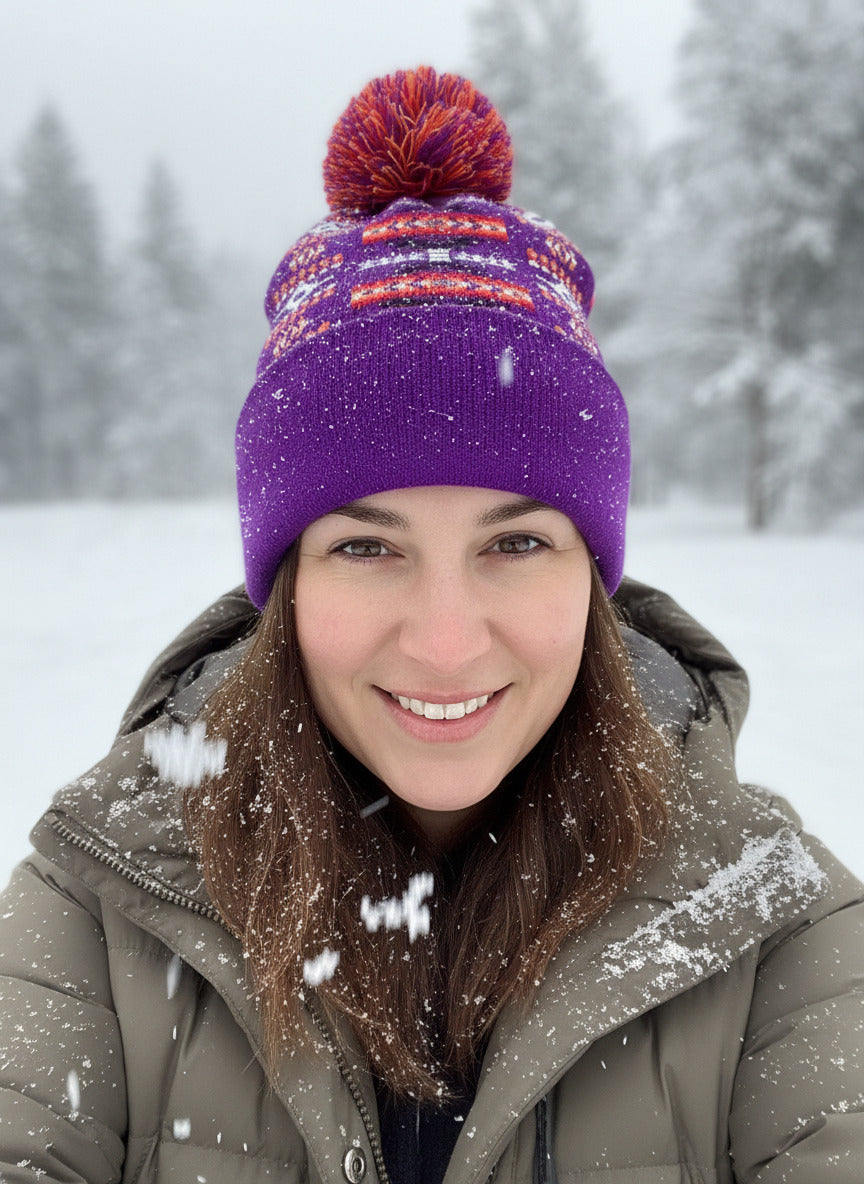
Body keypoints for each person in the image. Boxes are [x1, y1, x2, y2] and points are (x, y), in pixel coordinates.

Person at [0, 66, 861, 1184]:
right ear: (288, 585)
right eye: (366, 547)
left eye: (516, 544)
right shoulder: (103, 907)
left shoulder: (777, 930)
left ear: (594, 580)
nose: (446, 641)